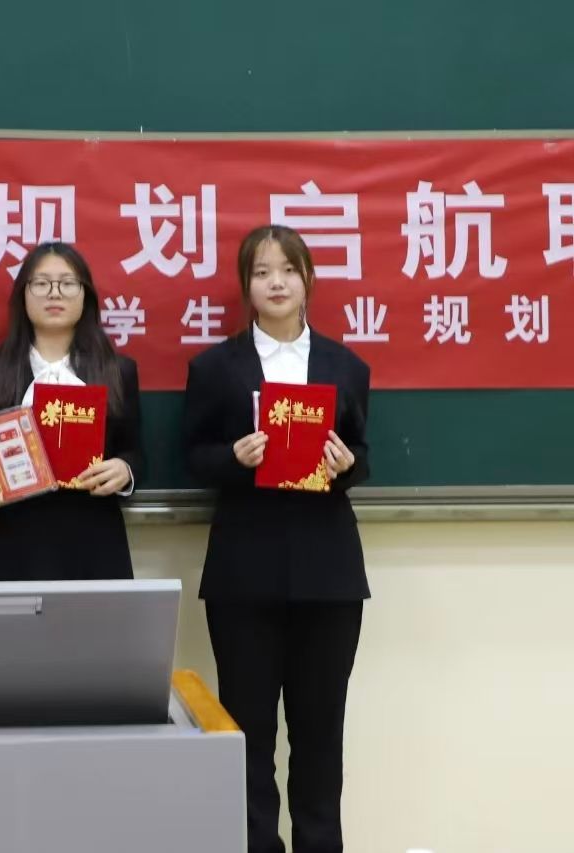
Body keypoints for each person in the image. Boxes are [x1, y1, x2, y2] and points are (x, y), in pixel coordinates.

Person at [182, 224, 370, 853]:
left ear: (308, 279)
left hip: (328, 574)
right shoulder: (215, 367)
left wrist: (347, 465)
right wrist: (234, 458)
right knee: (247, 733)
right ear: (247, 286)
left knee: (320, 736)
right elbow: (192, 456)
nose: (277, 283)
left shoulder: (347, 366)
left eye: (288, 270)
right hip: (245, 573)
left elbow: (363, 455)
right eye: (262, 272)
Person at [0, 241, 143, 581]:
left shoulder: (117, 370)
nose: (54, 293)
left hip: (96, 546)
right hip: (16, 546)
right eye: (41, 283)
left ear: (85, 296)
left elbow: (136, 452)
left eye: (68, 283)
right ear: (23, 295)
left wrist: (124, 471)